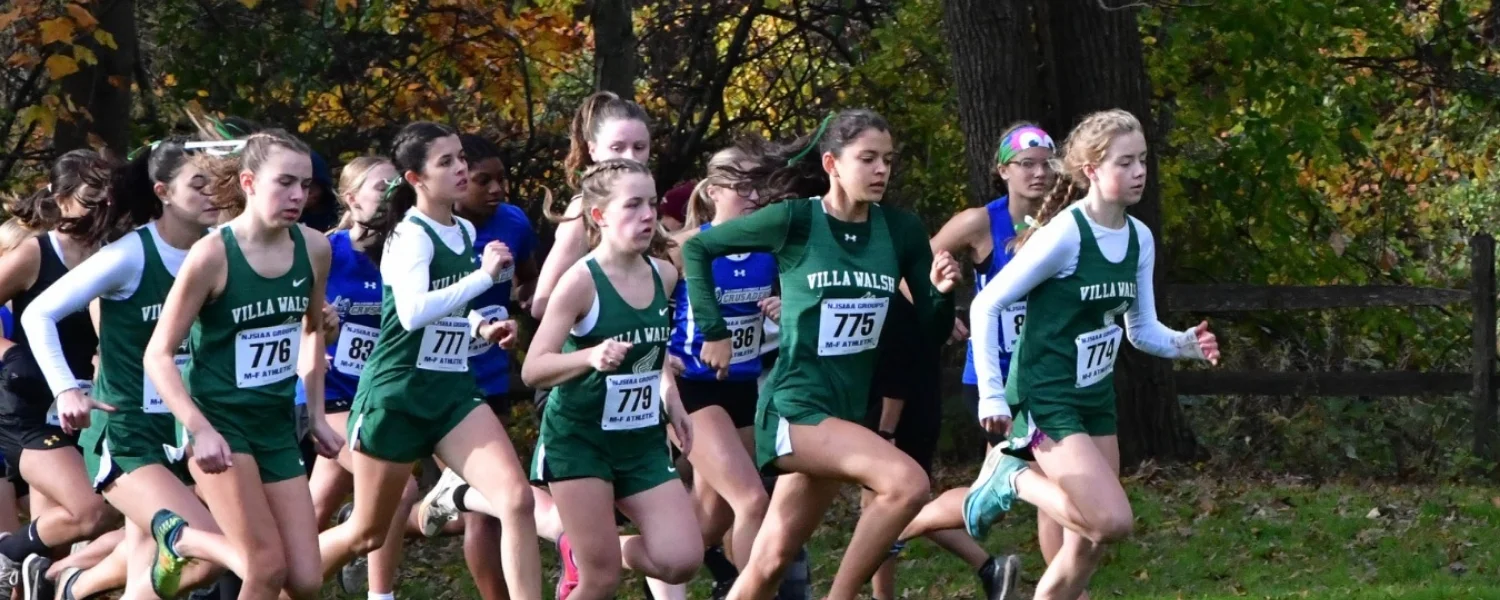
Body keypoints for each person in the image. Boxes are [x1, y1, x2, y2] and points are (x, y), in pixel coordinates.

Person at [681, 109, 960, 600]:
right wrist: (714, 329)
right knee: (907, 483)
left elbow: (929, 332)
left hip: (844, 414)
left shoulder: (900, 230)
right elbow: (699, 252)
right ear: (831, 163)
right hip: (794, 408)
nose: (881, 170)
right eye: (867, 158)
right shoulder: (796, 220)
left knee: (768, 565)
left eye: (888, 160)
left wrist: (939, 295)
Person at [964, 109, 1219, 600]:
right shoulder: (1066, 234)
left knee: (1087, 545)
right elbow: (986, 303)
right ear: (1092, 171)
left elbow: (1141, 330)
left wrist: (1186, 343)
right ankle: (1010, 476)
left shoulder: (1139, 238)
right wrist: (991, 398)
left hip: (1094, 396)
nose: (1139, 171)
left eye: (1143, 160)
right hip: (1047, 395)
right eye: (1125, 162)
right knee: (1111, 521)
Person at [312, 121, 542, 600]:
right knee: (367, 533)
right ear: (415, 179)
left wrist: (482, 325)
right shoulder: (407, 235)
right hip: (397, 396)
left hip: (452, 392)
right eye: (447, 162)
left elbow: (450, 304)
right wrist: (484, 276)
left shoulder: (460, 228)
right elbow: (415, 312)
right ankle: (276, 580)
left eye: (461, 158)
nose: (461, 168)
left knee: (516, 500)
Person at [23, 137, 251, 600]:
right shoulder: (129, 255)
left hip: (185, 432)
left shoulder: (221, 252)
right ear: (163, 191)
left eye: (219, 184)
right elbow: (36, 314)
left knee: (148, 569)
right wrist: (65, 388)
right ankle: (69, 586)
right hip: (125, 435)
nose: (213, 195)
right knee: (204, 552)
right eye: (198, 184)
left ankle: (69, 587)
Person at [143, 129, 343, 600]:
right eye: (285, 182)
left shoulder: (315, 248)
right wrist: (198, 429)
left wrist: (314, 415)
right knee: (266, 567)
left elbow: (313, 330)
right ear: (250, 182)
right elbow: (159, 354)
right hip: (220, 423)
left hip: (274, 424)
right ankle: (180, 541)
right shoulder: (212, 255)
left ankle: (181, 544)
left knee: (307, 581)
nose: (298, 195)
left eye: (305, 185)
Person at [873, 122, 1058, 600]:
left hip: (1051, 373)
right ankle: (895, 527)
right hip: (996, 379)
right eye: (1026, 165)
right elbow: (912, 272)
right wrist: (940, 309)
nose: (1038, 174)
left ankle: (895, 525)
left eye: (1047, 164)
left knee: (1009, 490)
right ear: (1002, 170)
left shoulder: (1068, 218)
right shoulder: (981, 222)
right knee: (1039, 478)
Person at [523, 158, 701, 600]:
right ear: (599, 216)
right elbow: (533, 368)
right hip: (580, 441)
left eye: (652, 204)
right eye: (633, 205)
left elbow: (652, 352)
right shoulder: (580, 282)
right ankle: (593, 555)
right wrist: (589, 356)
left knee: (681, 561)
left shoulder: (663, 274)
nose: (648, 216)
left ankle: (597, 549)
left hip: (639, 441)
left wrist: (671, 400)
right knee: (601, 582)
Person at [299, 155, 422, 600]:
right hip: (327, 399)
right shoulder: (326, 251)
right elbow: (281, 306)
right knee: (400, 487)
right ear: (350, 199)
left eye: (397, 189)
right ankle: (380, 594)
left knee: (314, 511)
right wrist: (313, 322)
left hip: (378, 400)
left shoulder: (407, 251)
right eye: (380, 188)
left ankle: (269, 583)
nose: (392, 197)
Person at [0, 150, 120, 600]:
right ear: (59, 197)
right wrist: (8, 354)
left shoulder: (112, 255)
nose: (101, 211)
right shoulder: (34, 252)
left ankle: (19, 561)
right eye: (91, 200)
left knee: (49, 551)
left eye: (108, 200)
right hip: (25, 407)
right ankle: (5, 549)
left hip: (83, 409)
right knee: (91, 512)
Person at [666, 145, 772, 593]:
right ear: (713, 191)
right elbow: (637, 306)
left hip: (744, 387)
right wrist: (659, 361)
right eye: (743, 184)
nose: (754, 195)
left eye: (759, 185)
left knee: (709, 522)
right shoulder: (684, 248)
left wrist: (783, 307)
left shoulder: (771, 247)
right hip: (692, 390)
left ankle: (627, 556)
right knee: (751, 500)